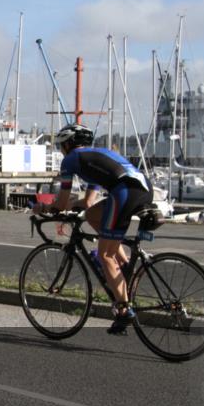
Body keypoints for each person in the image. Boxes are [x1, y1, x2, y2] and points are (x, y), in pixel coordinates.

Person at [33, 123, 153, 335]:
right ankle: (125, 266)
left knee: (105, 254)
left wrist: (44, 207)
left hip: (125, 192)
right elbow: (88, 202)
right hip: (142, 188)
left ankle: (124, 310)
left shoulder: (71, 160)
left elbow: (61, 203)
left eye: (61, 145)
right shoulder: (95, 157)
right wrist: (74, 204)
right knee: (93, 215)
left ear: (68, 144)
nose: (61, 150)